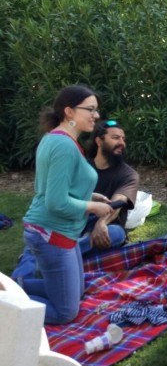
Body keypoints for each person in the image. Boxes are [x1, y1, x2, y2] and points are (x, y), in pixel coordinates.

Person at [15, 85, 114, 324]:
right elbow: (56, 201)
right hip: (51, 234)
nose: (96, 115)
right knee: (65, 312)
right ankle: (7, 303)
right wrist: (93, 208)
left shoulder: (57, 139)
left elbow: (56, 187)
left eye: (96, 110)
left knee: (76, 292)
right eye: (90, 109)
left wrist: (91, 196)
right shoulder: (63, 146)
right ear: (69, 111)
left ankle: (16, 286)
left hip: (58, 231)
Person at [79, 119, 139, 255]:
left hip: (109, 224)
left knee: (115, 233)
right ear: (99, 141)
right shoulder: (81, 167)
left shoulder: (128, 174)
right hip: (77, 220)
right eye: (115, 138)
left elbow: (117, 203)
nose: (122, 143)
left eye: (123, 139)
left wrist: (101, 223)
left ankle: (62, 252)